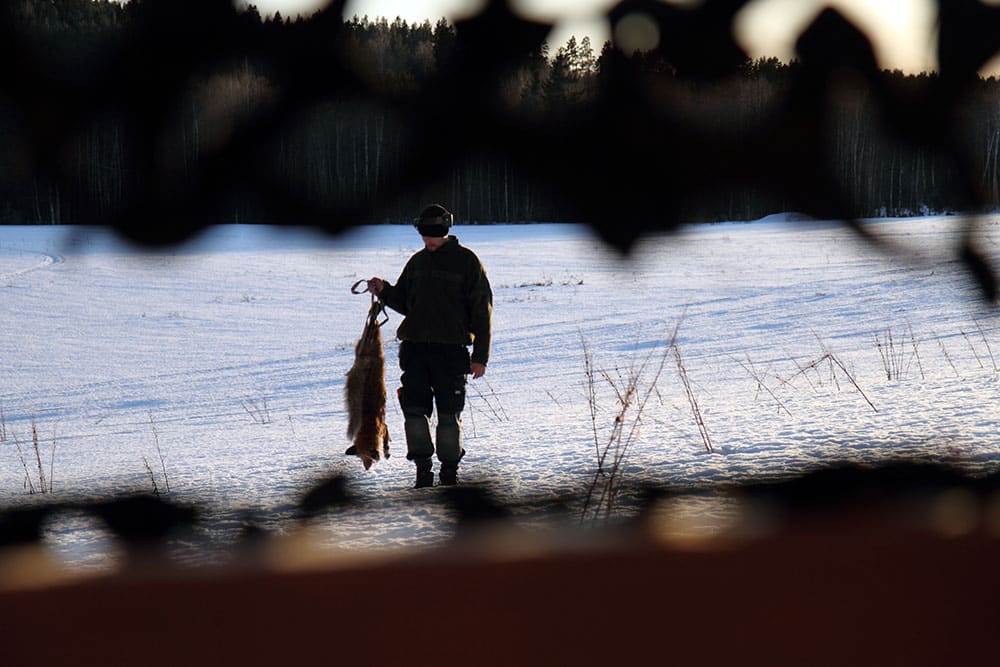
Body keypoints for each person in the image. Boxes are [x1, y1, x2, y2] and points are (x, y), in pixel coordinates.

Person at [366, 204, 493, 488]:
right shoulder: (417, 262)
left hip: (451, 352)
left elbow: (482, 312)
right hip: (415, 350)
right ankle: (422, 469)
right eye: (424, 234)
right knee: (414, 412)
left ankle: (449, 472)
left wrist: (480, 356)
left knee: (449, 415)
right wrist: (384, 290)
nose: (427, 239)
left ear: (444, 230)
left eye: (431, 234)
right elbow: (404, 302)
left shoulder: (467, 262)